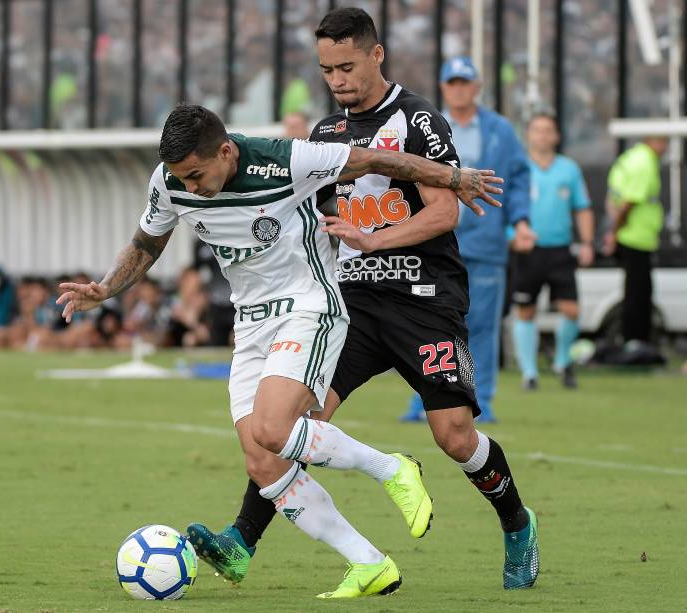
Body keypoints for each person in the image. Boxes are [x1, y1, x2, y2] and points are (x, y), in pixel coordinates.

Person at [57, 103, 503, 598]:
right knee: (264, 464)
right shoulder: (168, 182)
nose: (190, 187)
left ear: (226, 151)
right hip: (249, 323)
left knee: (273, 430)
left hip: (308, 307)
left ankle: (391, 468)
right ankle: (368, 562)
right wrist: (105, 288)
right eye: (181, 177)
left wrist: (455, 175)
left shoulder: (287, 160)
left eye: (198, 175)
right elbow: (147, 241)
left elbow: (379, 160)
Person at [186, 8, 539, 593]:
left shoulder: (418, 119)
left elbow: (444, 211)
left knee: (453, 435)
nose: (338, 80)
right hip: (351, 304)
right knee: (293, 421)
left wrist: (373, 238)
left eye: (347, 65)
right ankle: (242, 541)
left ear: (377, 55)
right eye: (327, 70)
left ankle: (517, 522)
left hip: (423, 299)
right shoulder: (326, 134)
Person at [402, 55, 535, 423]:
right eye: (453, 83)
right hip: (433, 243)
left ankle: (480, 400)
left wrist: (520, 221)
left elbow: (519, 180)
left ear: (477, 87)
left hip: (485, 243)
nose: (459, 89)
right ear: (444, 88)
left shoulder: (500, 131)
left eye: (465, 83)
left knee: (481, 327)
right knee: (429, 326)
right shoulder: (426, 126)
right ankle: (426, 401)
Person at [512, 113, 594, 389]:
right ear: (529, 135)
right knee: (526, 310)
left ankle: (561, 361)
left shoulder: (568, 169)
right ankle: (529, 373)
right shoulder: (518, 166)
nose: (543, 136)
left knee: (571, 309)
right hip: (528, 250)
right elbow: (505, 207)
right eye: (537, 130)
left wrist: (587, 242)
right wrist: (513, 237)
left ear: (556, 136)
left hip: (560, 250)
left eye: (548, 130)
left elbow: (582, 208)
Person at [604, 136, 668, 354]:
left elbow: (612, 198)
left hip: (636, 237)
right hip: (635, 238)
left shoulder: (630, 158)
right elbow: (627, 203)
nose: (665, 147)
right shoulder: (643, 162)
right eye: (663, 141)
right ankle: (635, 343)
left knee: (637, 291)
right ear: (652, 141)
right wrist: (614, 232)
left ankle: (636, 342)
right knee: (637, 294)